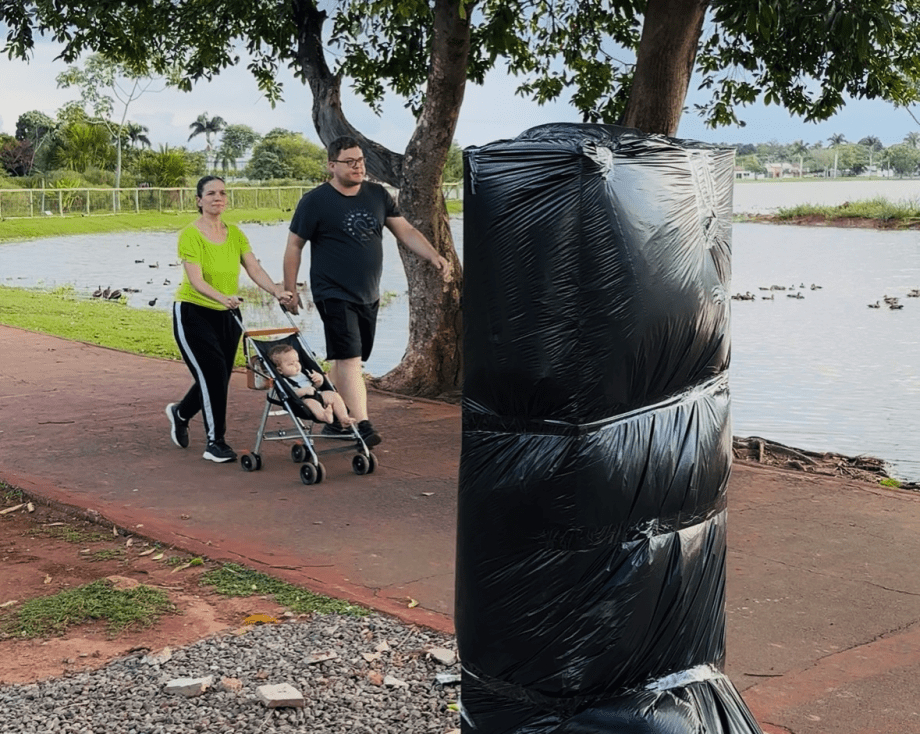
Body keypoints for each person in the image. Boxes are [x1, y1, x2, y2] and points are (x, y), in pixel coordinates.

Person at [281, 135, 451, 448]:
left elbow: (406, 231)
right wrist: (290, 289)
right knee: (350, 360)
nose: (358, 166)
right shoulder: (315, 201)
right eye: (350, 161)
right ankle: (361, 424)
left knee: (347, 359)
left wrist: (434, 256)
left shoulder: (377, 194)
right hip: (332, 292)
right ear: (332, 165)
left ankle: (333, 417)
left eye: (360, 160)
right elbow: (294, 245)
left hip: (369, 294)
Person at [167, 175, 292, 463]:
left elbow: (253, 267)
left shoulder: (235, 233)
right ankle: (215, 442)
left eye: (222, 193)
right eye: (210, 193)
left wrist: (276, 290)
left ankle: (181, 413)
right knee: (212, 372)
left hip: (228, 314)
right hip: (193, 312)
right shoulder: (190, 234)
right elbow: (196, 280)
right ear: (199, 200)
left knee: (219, 376)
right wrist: (222, 298)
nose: (217, 198)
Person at [267, 343, 355, 428]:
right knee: (312, 403)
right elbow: (290, 395)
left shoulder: (305, 373)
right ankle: (324, 416)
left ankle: (343, 418)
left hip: (318, 394)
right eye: (291, 364)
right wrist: (303, 391)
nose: (296, 365)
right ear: (280, 370)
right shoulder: (285, 381)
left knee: (333, 395)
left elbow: (315, 386)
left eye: (297, 361)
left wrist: (319, 380)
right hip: (303, 401)